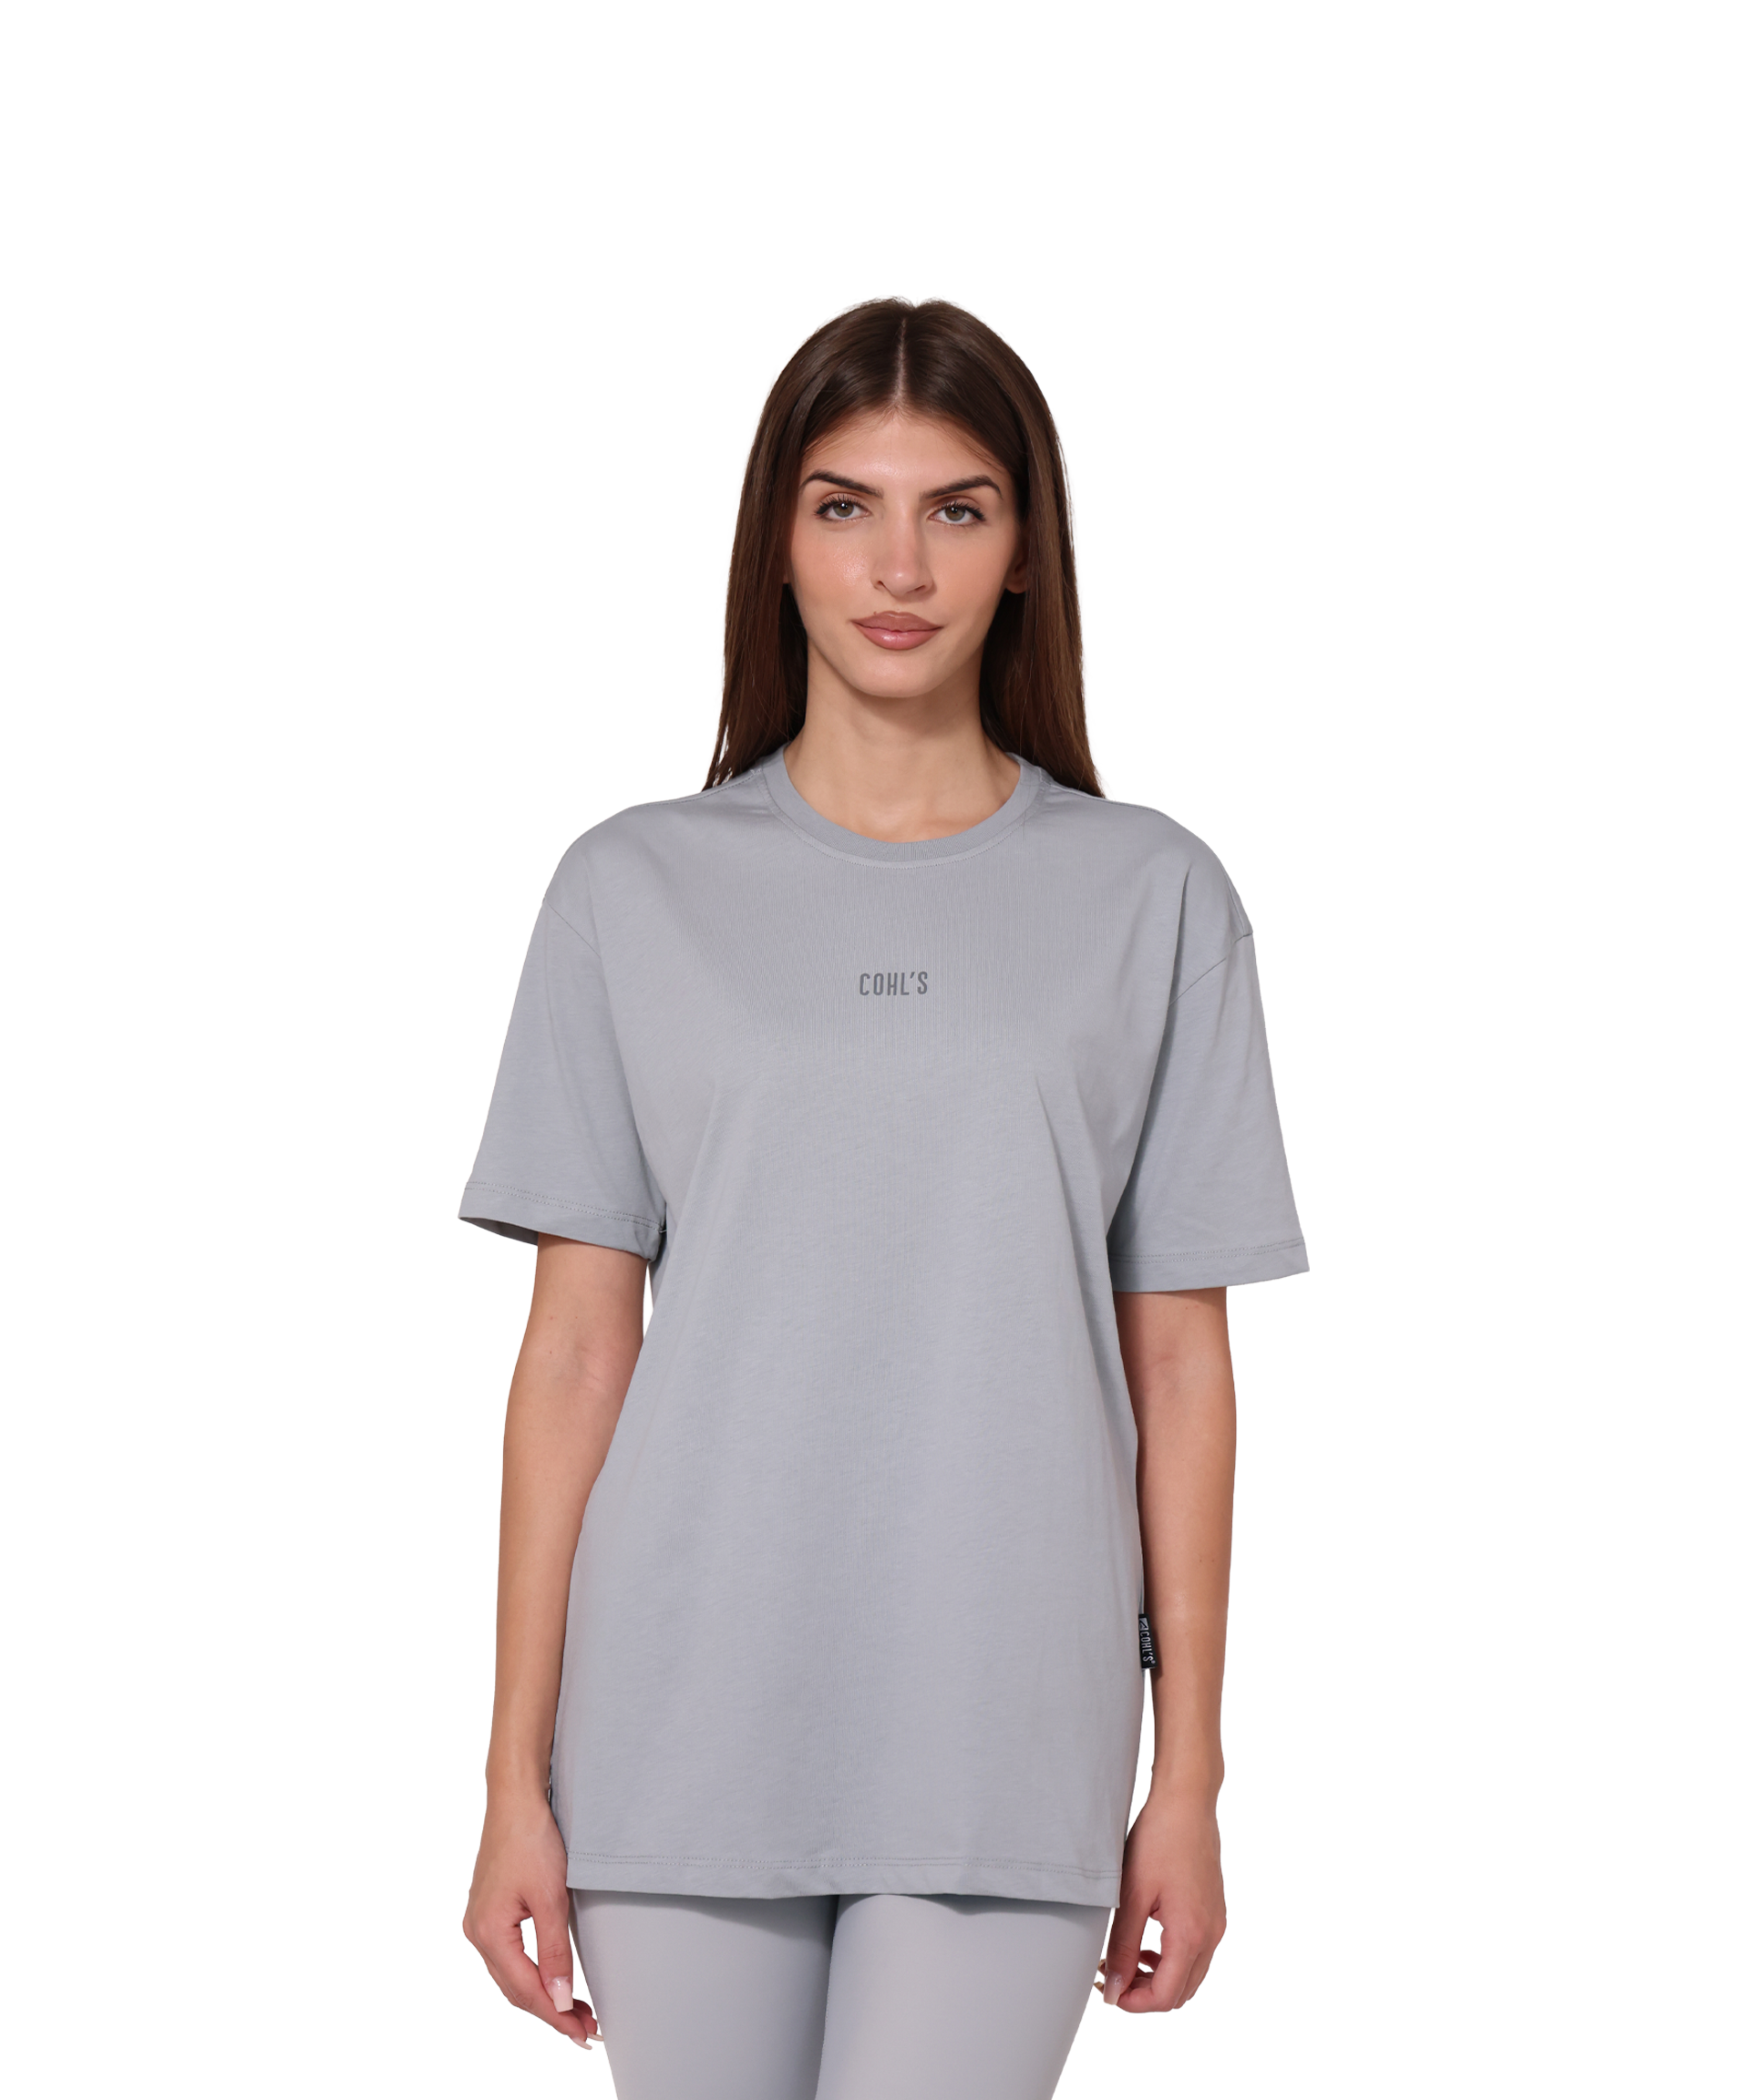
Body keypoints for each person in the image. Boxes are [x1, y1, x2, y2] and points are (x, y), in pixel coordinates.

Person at [459, 296, 1307, 2100]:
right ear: (777, 541)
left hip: (1008, 1720)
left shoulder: (1150, 897)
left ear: (1027, 550)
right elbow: (577, 1359)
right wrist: (511, 1780)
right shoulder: (629, 888)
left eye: (959, 509)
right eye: (845, 506)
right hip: (678, 1715)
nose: (899, 566)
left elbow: (1179, 1366)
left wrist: (1190, 1775)